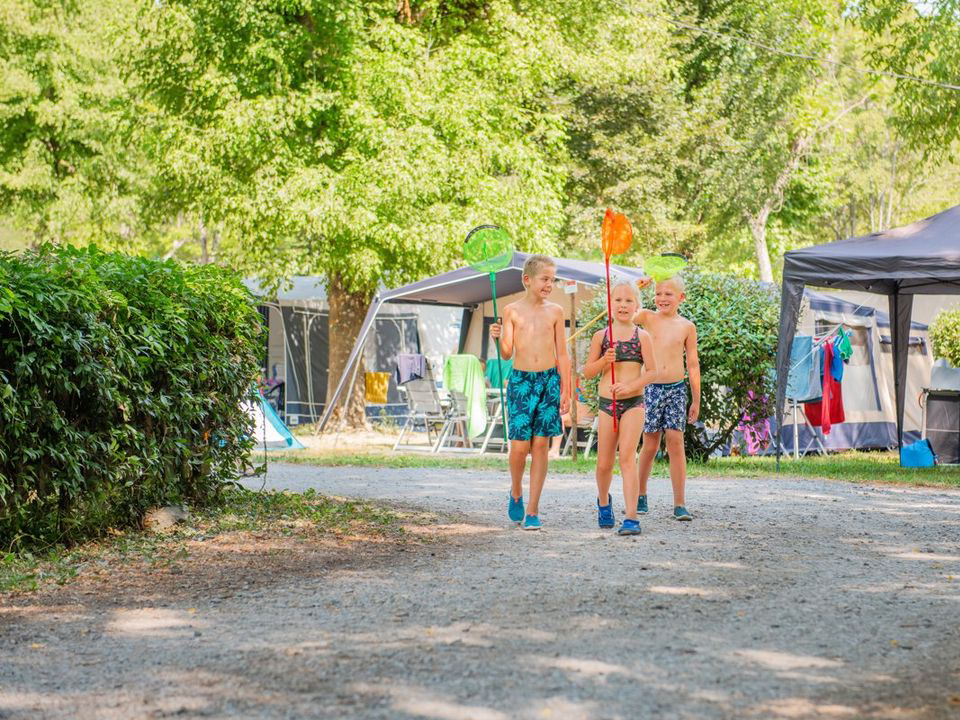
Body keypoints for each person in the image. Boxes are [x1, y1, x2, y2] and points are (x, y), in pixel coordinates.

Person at [490, 255, 570, 530]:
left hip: (549, 381)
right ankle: (516, 491)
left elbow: (563, 353)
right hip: (522, 382)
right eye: (545, 279)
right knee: (520, 447)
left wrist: (565, 389)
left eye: (552, 279)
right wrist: (498, 336)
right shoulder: (511, 310)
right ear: (527, 279)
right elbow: (507, 353)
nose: (550, 284)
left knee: (541, 447)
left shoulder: (556, 311)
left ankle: (533, 509)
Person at [582, 279, 656, 535]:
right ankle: (604, 501)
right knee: (604, 463)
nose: (623, 305)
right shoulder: (601, 336)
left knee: (627, 458)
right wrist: (604, 360)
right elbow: (588, 373)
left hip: (634, 403)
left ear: (637, 305)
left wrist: (632, 386)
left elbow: (653, 372)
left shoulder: (642, 336)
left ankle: (632, 517)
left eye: (628, 300)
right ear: (609, 304)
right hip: (606, 405)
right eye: (618, 300)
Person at [633, 274, 700, 521]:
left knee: (675, 442)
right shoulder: (647, 317)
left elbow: (692, 364)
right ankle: (640, 493)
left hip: (676, 389)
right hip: (650, 388)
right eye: (658, 293)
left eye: (668, 294)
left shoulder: (687, 326)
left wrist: (696, 399)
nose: (662, 298)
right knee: (649, 444)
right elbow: (626, 312)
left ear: (681, 297)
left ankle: (679, 503)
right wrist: (636, 287)